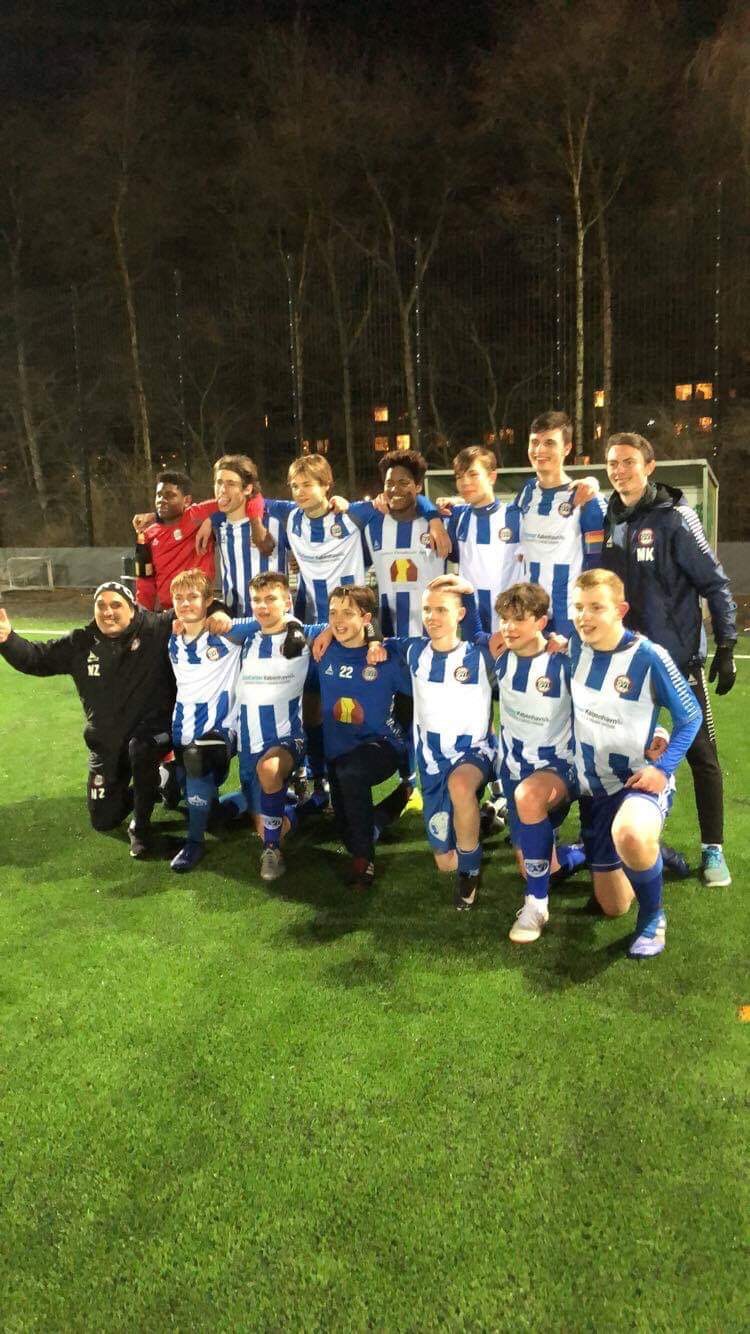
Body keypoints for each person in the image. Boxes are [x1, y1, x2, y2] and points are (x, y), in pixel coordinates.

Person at [601, 431, 737, 886]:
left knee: (700, 753)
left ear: (649, 466)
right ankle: (633, 844)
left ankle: (713, 850)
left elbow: (714, 583)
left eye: (628, 462)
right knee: (621, 752)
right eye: (613, 463)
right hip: (627, 664)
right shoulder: (608, 516)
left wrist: (725, 646)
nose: (620, 470)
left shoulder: (675, 516)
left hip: (677, 661)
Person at [568, 569, 702, 958]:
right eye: (578, 607)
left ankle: (653, 917)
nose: (584, 617)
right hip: (594, 790)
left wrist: (663, 767)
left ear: (620, 610)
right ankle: (651, 852)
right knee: (612, 906)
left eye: (596, 607)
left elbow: (691, 716)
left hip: (636, 781)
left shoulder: (648, 656)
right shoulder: (574, 648)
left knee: (629, 834)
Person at [0, 583, 179, 857]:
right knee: (103, 819)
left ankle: (142, 824)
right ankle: (161, 781)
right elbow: (36, 658)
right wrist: (8, 639)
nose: (108, 612)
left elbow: (195, 608)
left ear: (132, 609)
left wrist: (218, 614)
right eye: (101, 605)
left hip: (149, 737)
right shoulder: (80, 643)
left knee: (141, 748)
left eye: (116, 604)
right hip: (106, 745)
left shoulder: (155, 628)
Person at [370, 575, 497, 909]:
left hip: (473, 752)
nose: (432, 617)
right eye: (427, 609)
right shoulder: (414, 650)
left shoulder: (480, 654)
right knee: (445, 862)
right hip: (431, 761)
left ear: (459, 614)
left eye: (442, 609)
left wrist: (468, 593)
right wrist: (373, 644)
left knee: (460, 786)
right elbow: (379, 639)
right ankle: (481, 818)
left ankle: (470, 874)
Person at [207, 572, 321, 882]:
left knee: (269, 775)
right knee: (229, 817)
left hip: (286, 738)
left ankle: (273, 850)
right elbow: (217, 624)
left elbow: (347, 626)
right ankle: (303, 802)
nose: (262, 606)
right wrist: (219, 615)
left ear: (287, 601)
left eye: (271, 599)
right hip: (248, 744)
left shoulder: (305, 635)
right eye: (256, 600)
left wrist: (372, 638)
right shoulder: (248, 636)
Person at [490, 582, 584, 944]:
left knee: (529, 798)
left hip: (557, 768)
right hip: (514, 770)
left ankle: (536, 907)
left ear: (541, 622)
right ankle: (586, 852)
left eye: (518, 619)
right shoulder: (500, 657)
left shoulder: (563, 662)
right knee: (534, 866)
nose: (508, 627)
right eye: (504, 619)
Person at [317, 585, 413, 892]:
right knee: (350, 830)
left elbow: (417, 697)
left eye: (348, 613)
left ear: (366, 618)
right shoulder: (322, 647)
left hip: (382, 745)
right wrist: (327, 630)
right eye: (333, 613)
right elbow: (285, 623)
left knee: (352, 773)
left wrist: (374, 638)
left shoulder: (387, 655)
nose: (338, 620)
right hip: (337, 751)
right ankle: (397, 803)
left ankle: (364, 862)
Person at [167, 570, 246, 873]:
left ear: (208, 600)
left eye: (192, 597)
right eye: (179, 598)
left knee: (196, 759)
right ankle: (241, 802)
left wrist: (225, 616)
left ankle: (194, 843)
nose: (185, 603)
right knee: (197, 799)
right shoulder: (173, 639)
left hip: (221, 729)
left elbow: (271, 622)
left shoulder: (226, 635)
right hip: (183, 728)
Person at [515, 410, 607, 635]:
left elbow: (597, 561)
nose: (539, 450)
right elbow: (501, 515)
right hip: (530, 613)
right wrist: (460, 503)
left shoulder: (585, 496)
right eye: (534, 442)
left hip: (568, 616)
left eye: (549, 443)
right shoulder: (527, 491)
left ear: (567, 448)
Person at [132, 469, 266, 612]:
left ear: (187, 500)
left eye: (170, 495)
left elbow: (251, 496)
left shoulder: (197, 515)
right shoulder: (146, 535)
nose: (162, 500)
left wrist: (255, 526)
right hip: (168, 612)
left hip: (202, 608)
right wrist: (142, 612)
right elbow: (144, 579)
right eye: (159, 495)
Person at [207, 455, 288, 616]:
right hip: (234, 620)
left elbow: (313, 508)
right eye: (219, 482)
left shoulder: (276, 516)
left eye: (231, 483)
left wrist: (337, 502)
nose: (222, 489)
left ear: (247, 489)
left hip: (275, 620)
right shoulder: (217, 522)